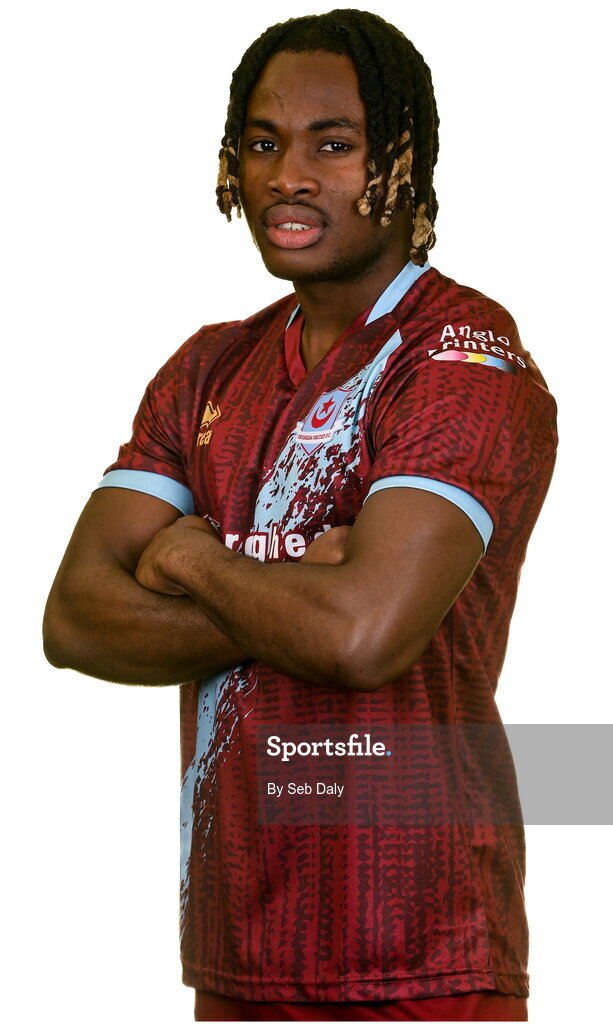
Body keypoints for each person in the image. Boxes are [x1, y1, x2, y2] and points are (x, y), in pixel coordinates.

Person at [43, 9, 557, 1022]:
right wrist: (302, 595)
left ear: (402, 163)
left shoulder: (461, 355)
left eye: (333, 143)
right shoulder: (205, 368)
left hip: (422, 952)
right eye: (264, 142)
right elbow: (73, 619)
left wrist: (189, 559)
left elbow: (365, 636)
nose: (288, 173)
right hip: (239, 948)